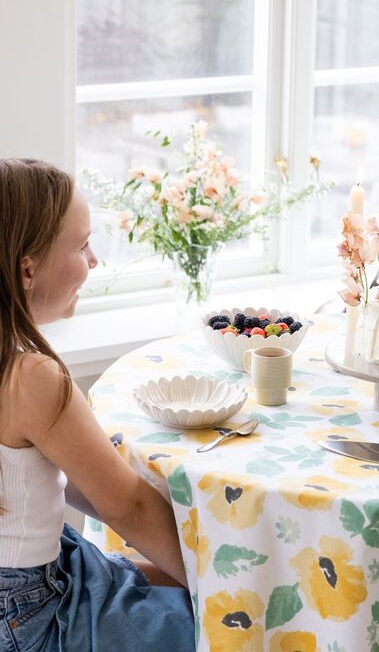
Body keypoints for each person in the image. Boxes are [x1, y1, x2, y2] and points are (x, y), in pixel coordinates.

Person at [0, 158, 195, 651]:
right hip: (32, 613)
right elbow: (126, 508)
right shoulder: (31, 378)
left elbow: (64, 481)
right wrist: (219, 583)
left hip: (33, 578)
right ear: (27, 267)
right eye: (83, 244)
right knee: (234, 627)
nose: (95, 261)